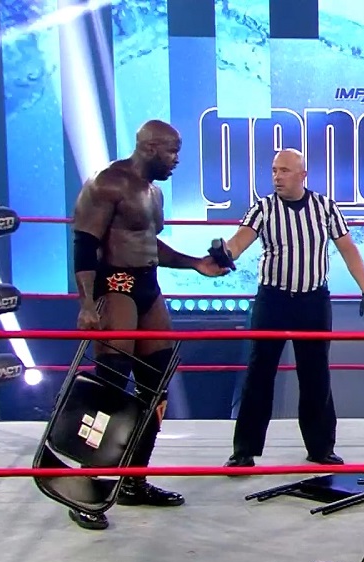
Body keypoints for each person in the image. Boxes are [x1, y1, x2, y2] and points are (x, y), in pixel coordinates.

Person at [69, 119, 228, 530]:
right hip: (116, 285)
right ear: (151, 147)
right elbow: (85, 243)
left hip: (147, 286)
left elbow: (149, 244)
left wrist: (195, 264)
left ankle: (133, 480)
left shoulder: (153, 192)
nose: (177, 160)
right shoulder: (107, 183)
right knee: (110, 387)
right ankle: (86, 486)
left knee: (156, 385)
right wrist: (87, 304)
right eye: (172, 151)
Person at [214, 148, 364, 468]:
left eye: (285, 171)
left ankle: (321, 448)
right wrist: (224, 253)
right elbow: (239, 242)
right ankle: (244, 450)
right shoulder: (263, 208)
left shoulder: (325, 207)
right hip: (273, 299)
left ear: (302, 175)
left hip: (312, 300)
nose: (277, 177)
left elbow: (348, 248)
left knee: (316, 375)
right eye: (275, 170)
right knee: (259, 374)